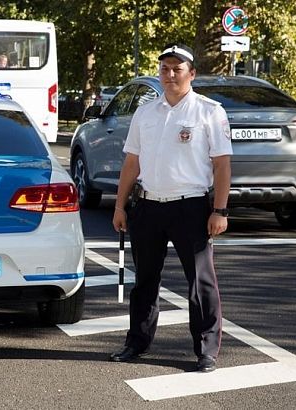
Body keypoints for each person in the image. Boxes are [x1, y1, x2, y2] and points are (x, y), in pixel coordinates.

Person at [110, 43, 232, 373]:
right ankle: (137, 341)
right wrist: (120, 206)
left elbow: (221, 166)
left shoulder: (209, 111)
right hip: (148, 206)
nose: (169, 74)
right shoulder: (146, 112)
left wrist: (219, 211)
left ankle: (206, 350)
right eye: (164, 68)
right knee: (145, 281)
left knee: (200, 282)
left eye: (177, 69)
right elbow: (131, 162)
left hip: (190, 208)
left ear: (192, 73)